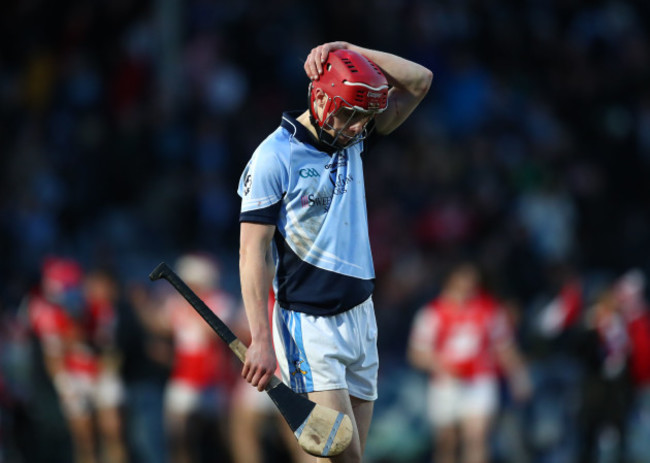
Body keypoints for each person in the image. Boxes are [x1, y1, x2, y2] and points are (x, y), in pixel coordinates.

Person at [236, 41, 432, 463]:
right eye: (350, 115)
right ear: (321, 98)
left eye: (365, 119)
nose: (358, 127)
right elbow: (252, 254)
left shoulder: (353, 139)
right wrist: (260, 339)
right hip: (310, 326)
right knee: (346, 459)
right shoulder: (274, 157)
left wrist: (347, 48)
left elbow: (420, 80)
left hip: (362, 318)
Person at [407, 261, 531, 463]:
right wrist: (441, 364)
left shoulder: (489, 310)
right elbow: (416, 354)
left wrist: (519, 377)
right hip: (445, 383)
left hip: (480, 380)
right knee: (447, 441)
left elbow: (505, 347)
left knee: (476, 438)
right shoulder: (433, 313)